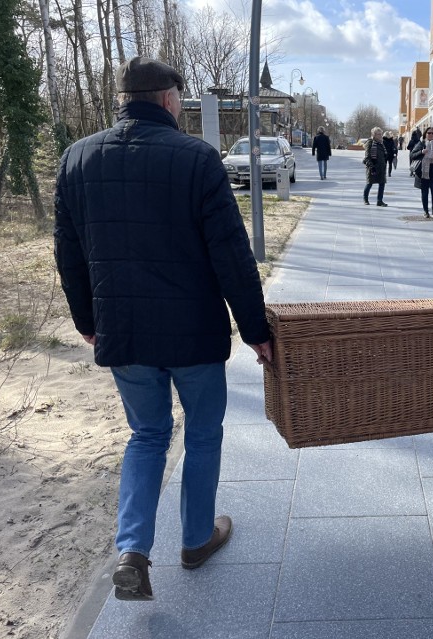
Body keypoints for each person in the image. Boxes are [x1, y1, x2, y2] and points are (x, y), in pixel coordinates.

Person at [53, 56, 273, 601]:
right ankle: (197, 539)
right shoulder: (196, 158)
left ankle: (132, 550)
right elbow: (231, 254)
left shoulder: (76, 158)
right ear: (171, 98)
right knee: (201, 431)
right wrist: (255, 328)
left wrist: (88, 321)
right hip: (192, 331)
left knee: (147, 435)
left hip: (122, 331)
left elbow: (69, 256)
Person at [410, 126, 433, 218]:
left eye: (432, 133)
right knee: (424, 193)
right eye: (429, 133)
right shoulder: (421, 144)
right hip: (423, 172)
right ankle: (426, 211)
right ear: (425, 134)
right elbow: (412, 155)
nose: (430, 134)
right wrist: (421, 152)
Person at [362, 127, 388, 206]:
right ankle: (365, 199)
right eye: (378, 134)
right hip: (372, 167)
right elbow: (367, 157)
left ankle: (379, 201)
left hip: (381, 167)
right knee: (369, 183)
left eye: (381, 134)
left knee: (382, 183)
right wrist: (372, 167)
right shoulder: (370, 143)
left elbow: (384, 154)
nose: (380, 136)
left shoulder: (381, 143)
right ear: (374, 135)